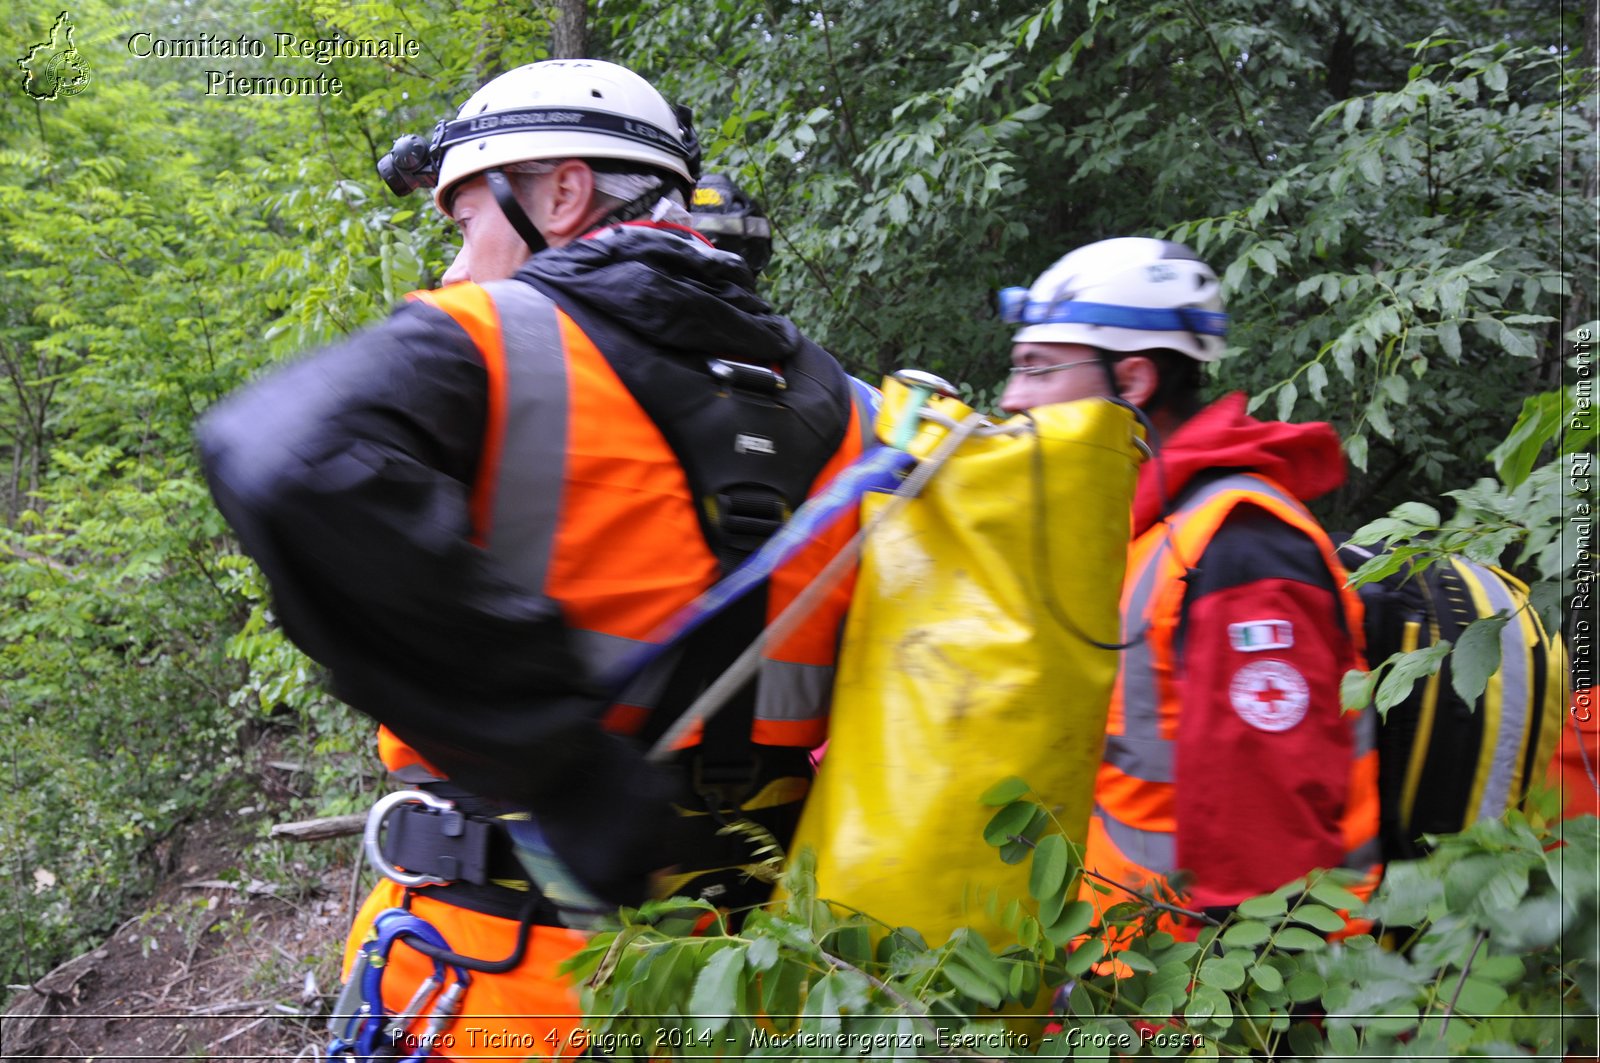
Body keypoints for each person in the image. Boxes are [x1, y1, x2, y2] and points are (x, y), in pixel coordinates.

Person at [199, 59, 874, 1058]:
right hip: (761, 993)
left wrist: (551, 754)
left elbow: (276, 453)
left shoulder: (491, 338)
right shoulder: (861, 413)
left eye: (466, 222)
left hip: (494, 991)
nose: (457, 268)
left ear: (560, 192)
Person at [996, 237, 1381, 929]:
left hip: (1209, 1004)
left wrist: (1215, 1028)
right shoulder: (1142, 530)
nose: (1010, 398)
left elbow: (1269, 858)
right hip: (1127, 970)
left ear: (1134, 382)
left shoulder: (1239, 547)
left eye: (1037, 369)